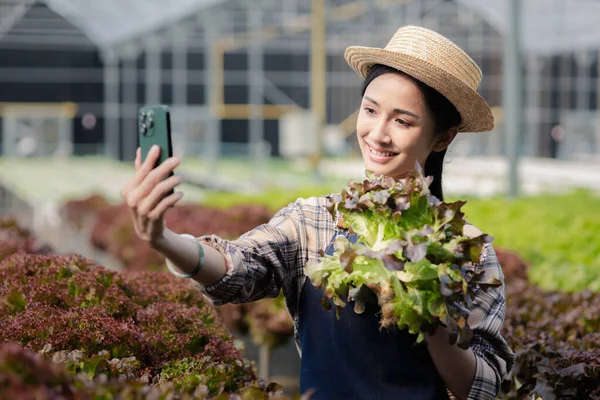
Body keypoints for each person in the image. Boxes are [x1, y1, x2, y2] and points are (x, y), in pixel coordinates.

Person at [121, 25, 515, 400]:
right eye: (371, 110)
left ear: (443, 136)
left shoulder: (467, 250)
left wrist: (429, 307)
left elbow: (482, 387)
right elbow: (237, 269)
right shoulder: (315, 221)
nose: (378, 133)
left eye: (402, 120)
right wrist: (164, 240)